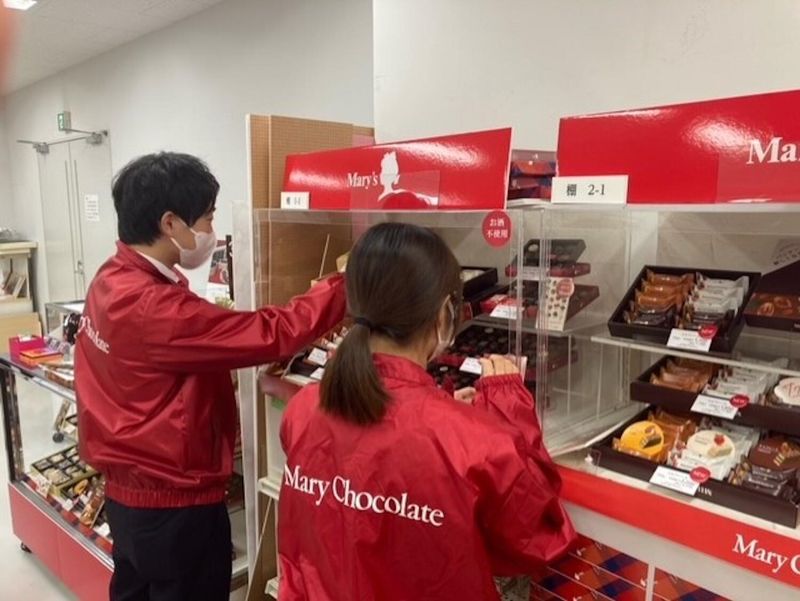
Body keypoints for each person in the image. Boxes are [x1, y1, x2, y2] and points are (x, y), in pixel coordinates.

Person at [74, 152, 347, 601]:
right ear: (170, 223)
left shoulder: (111, 277)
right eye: (207, 218)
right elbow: (271, 333)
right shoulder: (155, 308)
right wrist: (343, 285)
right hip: (175, 505)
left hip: (127, 494)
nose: (210, 230)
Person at [278, 222, 576, 600]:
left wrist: (445, 412)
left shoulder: (304, 406)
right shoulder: (478, 442)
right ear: (443, 315)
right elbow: (540, 538)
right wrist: (508, 409)